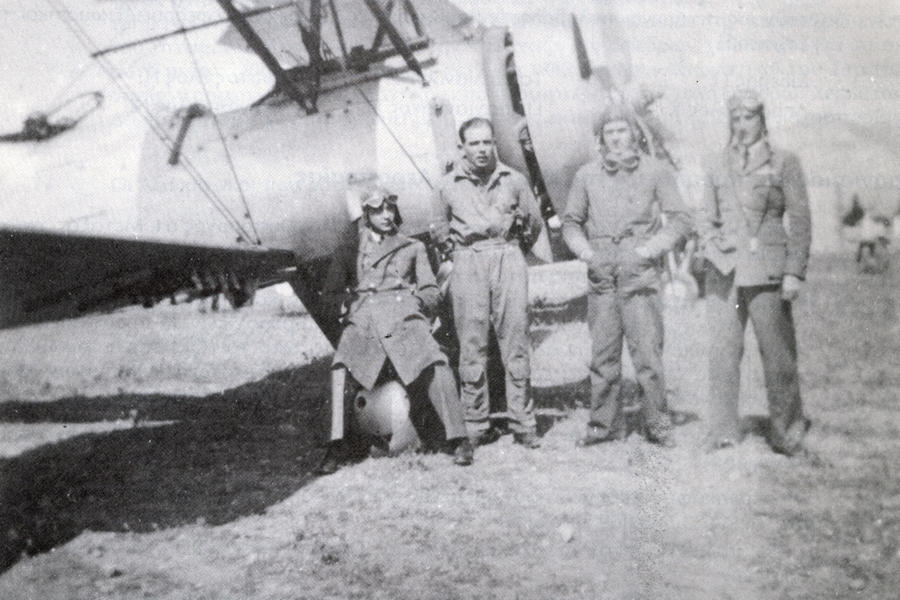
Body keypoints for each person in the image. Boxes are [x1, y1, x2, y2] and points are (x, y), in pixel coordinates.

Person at [318, 186, 474, 474]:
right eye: (378, 210)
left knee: (436, 362)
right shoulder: (349, 250)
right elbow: (330, 295)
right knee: (340, 369)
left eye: (390, 209)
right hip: (365, 320)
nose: (386, 215)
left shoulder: (412, 247)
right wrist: (349, 309)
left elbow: (430, 290)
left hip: (403, 318)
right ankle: (335, 447)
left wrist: (416, 308)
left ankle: (458, 439)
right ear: (366, 215)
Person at [562, 103, 692, 448]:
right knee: (603, 357)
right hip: (602, 275)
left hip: (640, 274)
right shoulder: (586, 175)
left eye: (622, 130)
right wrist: (586, 253)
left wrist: (649, 250)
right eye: (610, 132)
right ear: (601, 138)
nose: (617, 138)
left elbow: (680, 219)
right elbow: (571, 223)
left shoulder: (656, 171)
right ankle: (603, 427)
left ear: (634, 133)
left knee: (648, 357)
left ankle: (657, 426)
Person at [699, 89, 812, 456]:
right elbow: (706, 217)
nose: (741, 125)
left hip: (767, 271)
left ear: (762, 120)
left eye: (748, 118)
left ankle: (787, 431)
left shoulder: (784, 162)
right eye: (735, 118)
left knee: (778, 355)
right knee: (723, 352)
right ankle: (723, 430)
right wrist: (712, 248)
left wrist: (794, 271)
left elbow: (800, 219)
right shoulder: (717, 163)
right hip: (725, 272)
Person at [430, 117, 543, 448]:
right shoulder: (446, 186)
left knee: (516, 339)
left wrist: (512, 249)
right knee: (472, 343)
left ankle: (523, 421)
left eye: (487, 142)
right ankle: (476, 423)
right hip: (468, 260)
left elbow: (533, 222)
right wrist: (461, 253)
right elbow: (438, 228)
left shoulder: (515, 180)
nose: (481, 149)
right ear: (462, 147)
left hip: (507, 255)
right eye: (474, 143)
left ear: (494, 143)